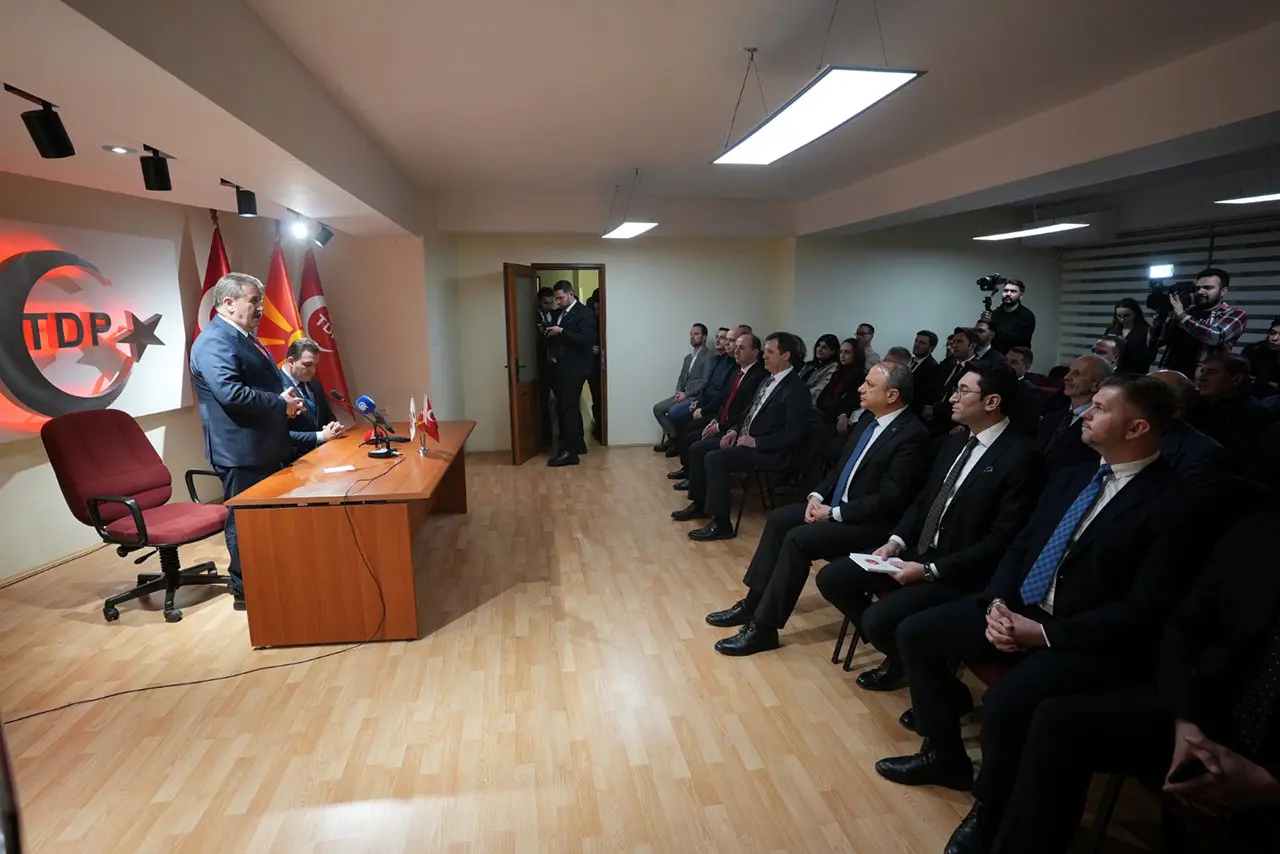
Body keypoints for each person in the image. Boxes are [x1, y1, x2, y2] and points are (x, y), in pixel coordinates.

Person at [878, 375, 1199, 854]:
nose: (1085, 413)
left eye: (1101, 408)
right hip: (1022, 607)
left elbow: (1143, 610)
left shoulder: (1174, 503)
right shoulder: (1074, 475)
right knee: (916, 634)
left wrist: (1044, 635)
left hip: (1082, 637)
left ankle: (990, 808)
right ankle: (944, 754)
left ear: (1136, 428)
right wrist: (997, 603)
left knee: (1005, 703)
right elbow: (1023, 545)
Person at [991, 499, 1280, 854]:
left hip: (1269, 757)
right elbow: (1184, 628)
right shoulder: (1260, 530)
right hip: (1208, 718)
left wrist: (1271, 782)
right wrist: (1187, 722)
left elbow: (1141, 612)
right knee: (1057, 721)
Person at [815, 360, 1043, 691]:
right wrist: (895, 541)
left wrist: (929, 571)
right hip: (919, 549)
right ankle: (904, 658)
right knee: (833, 578)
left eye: (963, 391)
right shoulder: (955, 442)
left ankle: (940, 688)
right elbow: (924, 500)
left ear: (992, 402)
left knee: (878, 620)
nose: (952, 397)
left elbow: (1000, 540)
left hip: (960, 569)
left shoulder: (1020, 456)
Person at [703, 359, 931, 656]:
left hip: (871, 525)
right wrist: (816, 495)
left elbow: (891, 498)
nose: (860, 389)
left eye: (869, 385)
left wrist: (833, 514)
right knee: (779, 519)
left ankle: (764, 628)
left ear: (892, 395)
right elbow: (840, 468)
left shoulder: (912, 435)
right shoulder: (869, 420)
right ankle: (753, 603)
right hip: (838, 509)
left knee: (798, 539)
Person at [190, 273, 306, 610]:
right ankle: (246, 590)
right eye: (253, 301)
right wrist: (279, 404)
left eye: (260, 301)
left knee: (268, 520)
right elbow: (231, 393)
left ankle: (273, 577)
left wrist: (283, 402)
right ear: (228, 304)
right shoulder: (215, 341)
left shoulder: (243, 337)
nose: (260, 308)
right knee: (245, 522)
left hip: (264, 446)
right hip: (240, 452)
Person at [672, 332, 810, 542]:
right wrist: (734, 430)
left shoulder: (796, 389)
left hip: (770, 451)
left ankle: (721, 524)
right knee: (699, 448)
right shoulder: (769, 379)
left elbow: (793, 434)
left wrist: (756, 442)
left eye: (770, 352)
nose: (764, 356)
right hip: (746, 440)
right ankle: (700, 505)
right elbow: (749, 412)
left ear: (786, 356)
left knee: (715, 458)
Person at [1152, 267, 1248, 377]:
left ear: (1223, 291)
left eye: (1208, 288)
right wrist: (1162, 316)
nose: (1200, 292)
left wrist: (1181, 316)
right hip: (1172, 375)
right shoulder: (1185, 311)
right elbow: (1159, 342)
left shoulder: (1235, 314)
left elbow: (1216, 336)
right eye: (1197, 288)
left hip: (1204, 378)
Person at [545, 280, 598, 467]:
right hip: (562, 367)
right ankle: (578, 445)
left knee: (567, 409)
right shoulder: (560, 313)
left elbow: (586, 339)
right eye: (557, 299)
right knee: (569, 408)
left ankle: (569, 453)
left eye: (561, 298)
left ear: (571, 294)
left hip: (576, 369)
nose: (558, 301)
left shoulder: (585, 313)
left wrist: (562, 331)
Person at [280, 337, 345, 461]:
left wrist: (332, 427)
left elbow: (326, 415)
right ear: (291, 361)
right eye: (308, 365)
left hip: (324, 454)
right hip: (295, 460)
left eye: (315, 365)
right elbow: (279, 434)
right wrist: (320, 436)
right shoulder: (275, 385)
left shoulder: (314, 382)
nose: (313, 371)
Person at [652, 324, 711, 450]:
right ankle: (673, 438)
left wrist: (686, 394)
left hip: (694, 396)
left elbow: (705, 381)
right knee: (658, 409)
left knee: (673, 412)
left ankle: (675, 443)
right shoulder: (688, 358)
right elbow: (681, 378)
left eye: (696, 334)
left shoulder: (708, 357)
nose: (692, 337)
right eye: (691, 334)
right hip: (682, 394)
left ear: (704, 337)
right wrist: (678, 392)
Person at [981, 279, 1035, 353]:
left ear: (1021, 295)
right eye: (1006, 290)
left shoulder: (1027, 316)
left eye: (1013, 291)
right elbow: (987, 337)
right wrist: (984, 322)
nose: (1008, 294)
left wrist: (993, 324)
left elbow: (1019, 341)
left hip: (1015, 357)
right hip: (994, 355)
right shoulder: (995, 313)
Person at [1105, 297, 1154, 374]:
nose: (1122, 319)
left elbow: (1150, 357)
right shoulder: (1111, 331)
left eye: (1126, 315)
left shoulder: (1146, 331)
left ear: (1135, 313)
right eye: (1119, 316)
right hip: (1114, 374)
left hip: (1137, 375)